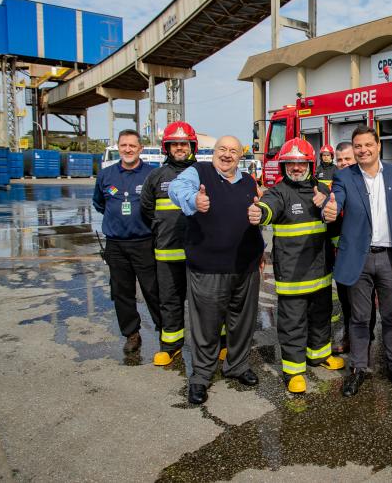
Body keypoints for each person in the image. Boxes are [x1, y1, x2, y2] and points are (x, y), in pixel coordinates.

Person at [322, 125, 392, 397]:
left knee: (391, 317)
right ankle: (357, 369)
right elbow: (335, 202)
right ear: (353, 150)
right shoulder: (344, 176)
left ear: (378, 146)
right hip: (359, 259)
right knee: (360, 318)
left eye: (368, 145)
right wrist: (329, 209)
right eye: (357, 146)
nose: (363, 150)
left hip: (390, 258)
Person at [168, 136, 264, 405]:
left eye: (233, 151)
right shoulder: (198, 172)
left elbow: (253, 220)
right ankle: (201, 376)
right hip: (208, 268)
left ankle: (237, 365)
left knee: (242, 323)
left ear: (240, 156)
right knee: (206, 326)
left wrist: (260, 250)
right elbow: (176, 189)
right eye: (222, 149)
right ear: (214, 152)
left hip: (245, 267)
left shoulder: (247, 181)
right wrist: (193, 200)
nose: (227, 155)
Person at [247, 138, 345, 393]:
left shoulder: (322, 189)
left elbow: (333, 225)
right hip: (292, 275)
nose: (296, 168)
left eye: (301, 163)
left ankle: (318, 355)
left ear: (310, 165)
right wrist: (260, 213)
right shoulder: (279, 192)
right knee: (293, 323)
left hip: (321, 271)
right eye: (290, 163)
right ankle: (294, 371)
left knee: (321, 317)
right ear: (284, 166)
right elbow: (269, 208)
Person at [92, 129, 160, 355]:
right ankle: (132, 334)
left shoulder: (152, 174)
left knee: (153, 290)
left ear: (140, 148)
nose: (128, 150)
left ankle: (166, 331)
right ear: (118, 147)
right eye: (124, 146)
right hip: (116, 245)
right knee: (122, 292)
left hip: (145, 242)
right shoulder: (106, 175)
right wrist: (118, 220)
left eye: (132, 146)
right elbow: (99, 203)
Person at [140, 122, 198, 366]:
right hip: (168, 253)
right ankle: (171, 346)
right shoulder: (156, 177)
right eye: (175, 144)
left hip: (200, 253)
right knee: (170, 301)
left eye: (184, 144)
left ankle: (219, 344)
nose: (179, 148)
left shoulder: (203, 173)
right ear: (167, 147)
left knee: (208, 303)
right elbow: (146, 210)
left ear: (191, 146)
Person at [330, 141, 375, 355]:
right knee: (346, 301)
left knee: (365, 303)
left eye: (347, 158)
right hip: (342, 255)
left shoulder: (365, 183)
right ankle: (351, 337)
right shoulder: (335, 184)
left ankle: (366, 338)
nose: (343, 163)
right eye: (339, 160)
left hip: (363, 255)